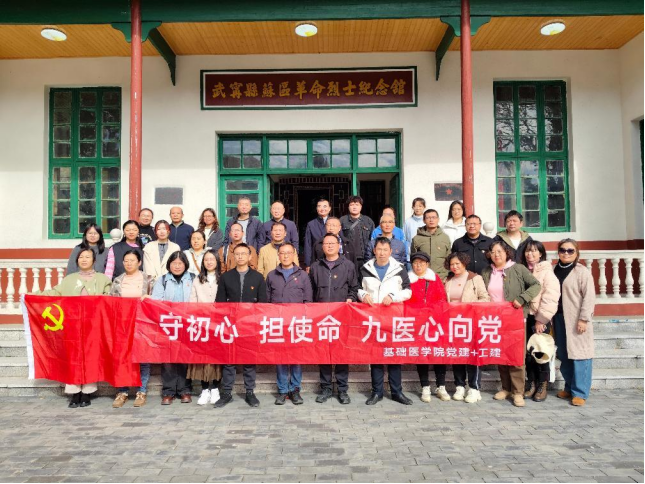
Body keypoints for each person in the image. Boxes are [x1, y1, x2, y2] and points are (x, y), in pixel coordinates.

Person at [38, 248, 111, 408]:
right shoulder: (69, 280)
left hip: (93, 325)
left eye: (87, 257)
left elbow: (109, 299)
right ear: (77, 260)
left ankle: (87, 392)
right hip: (72, 324)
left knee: (91, 356)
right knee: (73, 357)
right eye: (81, 257)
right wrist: (34, 294)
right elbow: (55, 293)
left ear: (94, 260)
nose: (84, 259)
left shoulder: (103, 279)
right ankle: (74, 391)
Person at [481, 241, 541, 407]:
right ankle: (506, 388)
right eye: (493, 252)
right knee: (501, 353)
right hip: (494, 320)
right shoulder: (486, 271)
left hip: (515, 318)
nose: (496, 255)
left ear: (507, 253)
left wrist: (522, 298)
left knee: (515, 355)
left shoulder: (518, 269)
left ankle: (518, 392)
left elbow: (536, 285)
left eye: (499, 251)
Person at [359, 237, 413, 406]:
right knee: (376, 356)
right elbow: (357, 288)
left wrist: (393, 296)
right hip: (373, 319)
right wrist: (363, 295)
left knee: (394, 355)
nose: (382, 253)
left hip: (393, 319)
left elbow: (408, 291)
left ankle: (397, 392)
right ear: (374, 250)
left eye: (385, 250)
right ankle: (377, 392)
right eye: (379, 249)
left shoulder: (399, 268)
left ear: (390, 251)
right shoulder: (365, 268)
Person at [215, 243, 268, 408]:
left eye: (243, 253)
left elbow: (263, 304)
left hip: (250, 325)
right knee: (229, 360)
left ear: (250, 256)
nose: (240, 257)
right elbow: (220, 303)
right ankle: (227, 392)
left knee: (249, 359)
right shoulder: (226, 277)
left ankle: (250, 392)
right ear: (233, 256)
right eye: (237, 254)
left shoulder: (258, 277)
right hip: (230, 325)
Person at [309, 233, 359, 404]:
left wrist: (350, 298)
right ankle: (325, 388)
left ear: (339, 246)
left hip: (341, 317)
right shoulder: (316, 267)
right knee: (323, 353)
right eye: (326, 243)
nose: (329, 246)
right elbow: (311, 290)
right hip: (322, 318)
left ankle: (342, 389)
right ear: (322, 247)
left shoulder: (348, 265)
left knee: (341, 353)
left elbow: (354, 288)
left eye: (332, 243)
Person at [265, 242, 312, 405]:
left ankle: (295, 389)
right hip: (279, 324)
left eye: (288, 253)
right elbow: (267, 302)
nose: (285, 256)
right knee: (280, 358)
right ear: (278, 255)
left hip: (297, 324)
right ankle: (282, 390)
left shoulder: (302, 275)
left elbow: (308, 301)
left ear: (294, 255)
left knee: (296, 358)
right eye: (282, 253)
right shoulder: (272, 275)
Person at [553, 239, 596, 406]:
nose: (566, 253)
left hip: (576, 319)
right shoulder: (554, 270)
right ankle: (569, 387)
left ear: (576, 253)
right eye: (563, 250)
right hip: (558, 318)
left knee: (580, 355)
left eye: (570, 250)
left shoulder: (581, 272)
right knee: (564, 355)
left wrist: (584, 319)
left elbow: (589, 297)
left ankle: (580, 392)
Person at [110, 249, 155, 408]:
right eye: (126, 261)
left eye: (132, 260)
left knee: (142, 357)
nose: (129, 263)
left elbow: (156, 300)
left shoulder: (149, 280)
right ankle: (122, 391)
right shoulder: (117, 281)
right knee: (123, 357)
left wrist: (149, 299)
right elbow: (111, 303)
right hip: (122, 325)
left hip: (142, 323)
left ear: (139, 262)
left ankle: (141, 391)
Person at [444, 252, 491, 403]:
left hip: (472, 323)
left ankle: (474, 388)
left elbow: (485, 298)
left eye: (457, 263)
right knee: (457, 354)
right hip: (454, 324)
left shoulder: (475, 279)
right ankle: (459, 386)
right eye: (452, 264)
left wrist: (469, 306)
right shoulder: (448, 280)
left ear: (464, 263)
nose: (454, 267)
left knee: (473, 354)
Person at [151, 251, 195, 405]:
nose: (177, 266)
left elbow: (196, 301)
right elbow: (157, 301)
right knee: (168, 359)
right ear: (169, 265)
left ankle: (185, 390)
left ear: (185, 264)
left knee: (185, 357)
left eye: (180, 263)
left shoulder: (193, 279)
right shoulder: (162, 280)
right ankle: (168, 391)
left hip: (187, 324)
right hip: (168, 324)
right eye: (174, 263)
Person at [520, 240, 560, 402]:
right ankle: (531, 383)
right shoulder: (522, 270)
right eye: (527, 251)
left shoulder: (547, 272)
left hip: (540, 318)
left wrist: (541, 320)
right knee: (528, 354)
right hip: (524, 317)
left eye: (534, 251)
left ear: (541, 254)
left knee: (540, 352)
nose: (530, 254)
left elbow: (550, 297)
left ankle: (542, 385)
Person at [405, 252, 448, 403]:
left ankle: (441, 385)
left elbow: (442, 298)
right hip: (417, 323)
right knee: (422, 354)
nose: (418, 266)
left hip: (434, 322)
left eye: (422, 263)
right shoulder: (408, 279)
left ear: (427, 264)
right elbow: (405, 300)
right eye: (415, 263)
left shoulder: (434, 278)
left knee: (438, 353)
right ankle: (425, 386)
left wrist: (433, 313)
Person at [188, 249, 222, 406]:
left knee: (217, 356)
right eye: (206, 259)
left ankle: (215, 388)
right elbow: (192, 301)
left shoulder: (223, 279)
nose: (209, 262)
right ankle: (204, 389)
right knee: (202, 357)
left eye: (212, 259)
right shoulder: (197, 280)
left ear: (217, 261)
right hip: (201, 323)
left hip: (218, 324)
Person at [411, 209, 451, 281]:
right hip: (423, 278)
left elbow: (449, 258)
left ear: (438, 219)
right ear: (424, 220)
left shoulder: (445, 238)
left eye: (434, 217)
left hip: (442, 278)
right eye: (428, 218)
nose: (431, 220)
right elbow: (413, 260)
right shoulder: (417, 239)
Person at [340, 195, 375, 271]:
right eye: (352, 205)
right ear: (348, 207)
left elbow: (373, 240)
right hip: (347, 257)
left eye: (357, 205)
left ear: (361, 207)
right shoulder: (342, 221)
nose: (354, 207)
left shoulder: (368, 221)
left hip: (365, 258)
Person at [304, 197, 332, 270]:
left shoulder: (334, 222)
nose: (322, 209)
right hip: (316, 259)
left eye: (325, 206)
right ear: (317, 209)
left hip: (332, 258)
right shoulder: (311, 224)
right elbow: (308, 245)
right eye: (319, 206)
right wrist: (308, 264)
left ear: (329, 209)